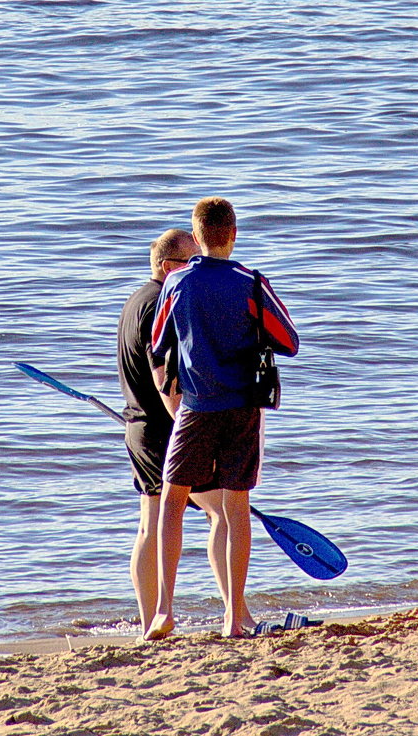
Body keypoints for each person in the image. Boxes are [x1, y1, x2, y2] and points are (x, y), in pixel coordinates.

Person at [144, 198, 299, 639]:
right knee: (236, 509)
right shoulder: (251, 282)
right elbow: (289, 340)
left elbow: (158, 344)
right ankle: (233, 616)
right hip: (242, 408)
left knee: (173, 504)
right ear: (232, 235)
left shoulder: (177, 283)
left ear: (197, 236)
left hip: (195, 406)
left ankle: (164, 610)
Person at [116, 229, 257, 637]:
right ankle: (237, 612)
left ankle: (152, 621)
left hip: (138, 426)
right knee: (221, 514)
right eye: (190, 259)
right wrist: (185, 425)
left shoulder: (134, 300)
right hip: (168, 426)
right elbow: (163, 374)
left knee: (153, 522)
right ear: (168, 267)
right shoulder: (162, 300)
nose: (197, 266)